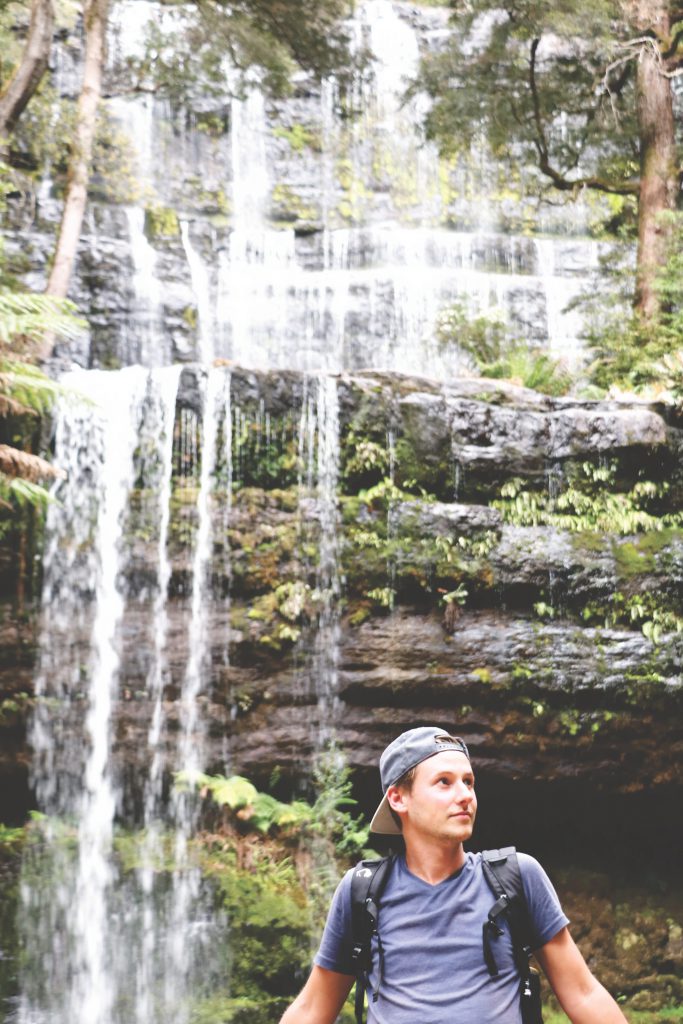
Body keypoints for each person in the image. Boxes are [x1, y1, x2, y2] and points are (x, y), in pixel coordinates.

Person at [279, 726, 629, 1024]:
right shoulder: (362, 893)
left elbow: (583, 994)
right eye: (444, 783)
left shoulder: (516, 878)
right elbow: (312, 1008)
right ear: (398, 799)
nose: (465, 796)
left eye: (468, 781)